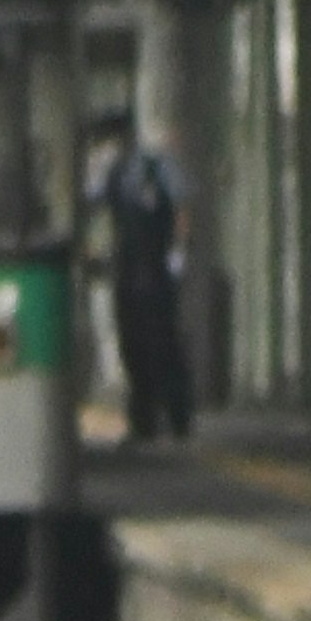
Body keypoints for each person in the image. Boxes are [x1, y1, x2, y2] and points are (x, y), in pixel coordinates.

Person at [103, 128, 191, 444]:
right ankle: (144, 420)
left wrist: (177, 254)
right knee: (134, 345)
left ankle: (177, 417)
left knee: (162, 342)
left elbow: (181, 209)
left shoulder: (159, 167)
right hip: (129, 267)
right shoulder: (115, 172)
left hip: (155, 268)